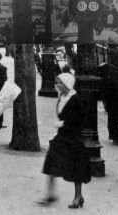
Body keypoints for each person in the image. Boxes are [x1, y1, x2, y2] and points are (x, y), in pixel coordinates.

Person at [38, 73, 90, 209]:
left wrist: (64, 123)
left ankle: (78, 196)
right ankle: (50, 194)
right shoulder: (61, 96)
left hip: (72, 138)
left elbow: (80, 120)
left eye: (60, 83)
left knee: (75, 168)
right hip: (61, 136)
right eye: (57, 82)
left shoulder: (75, 99)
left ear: (67, 84)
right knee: (50, 163)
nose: (57, 85)